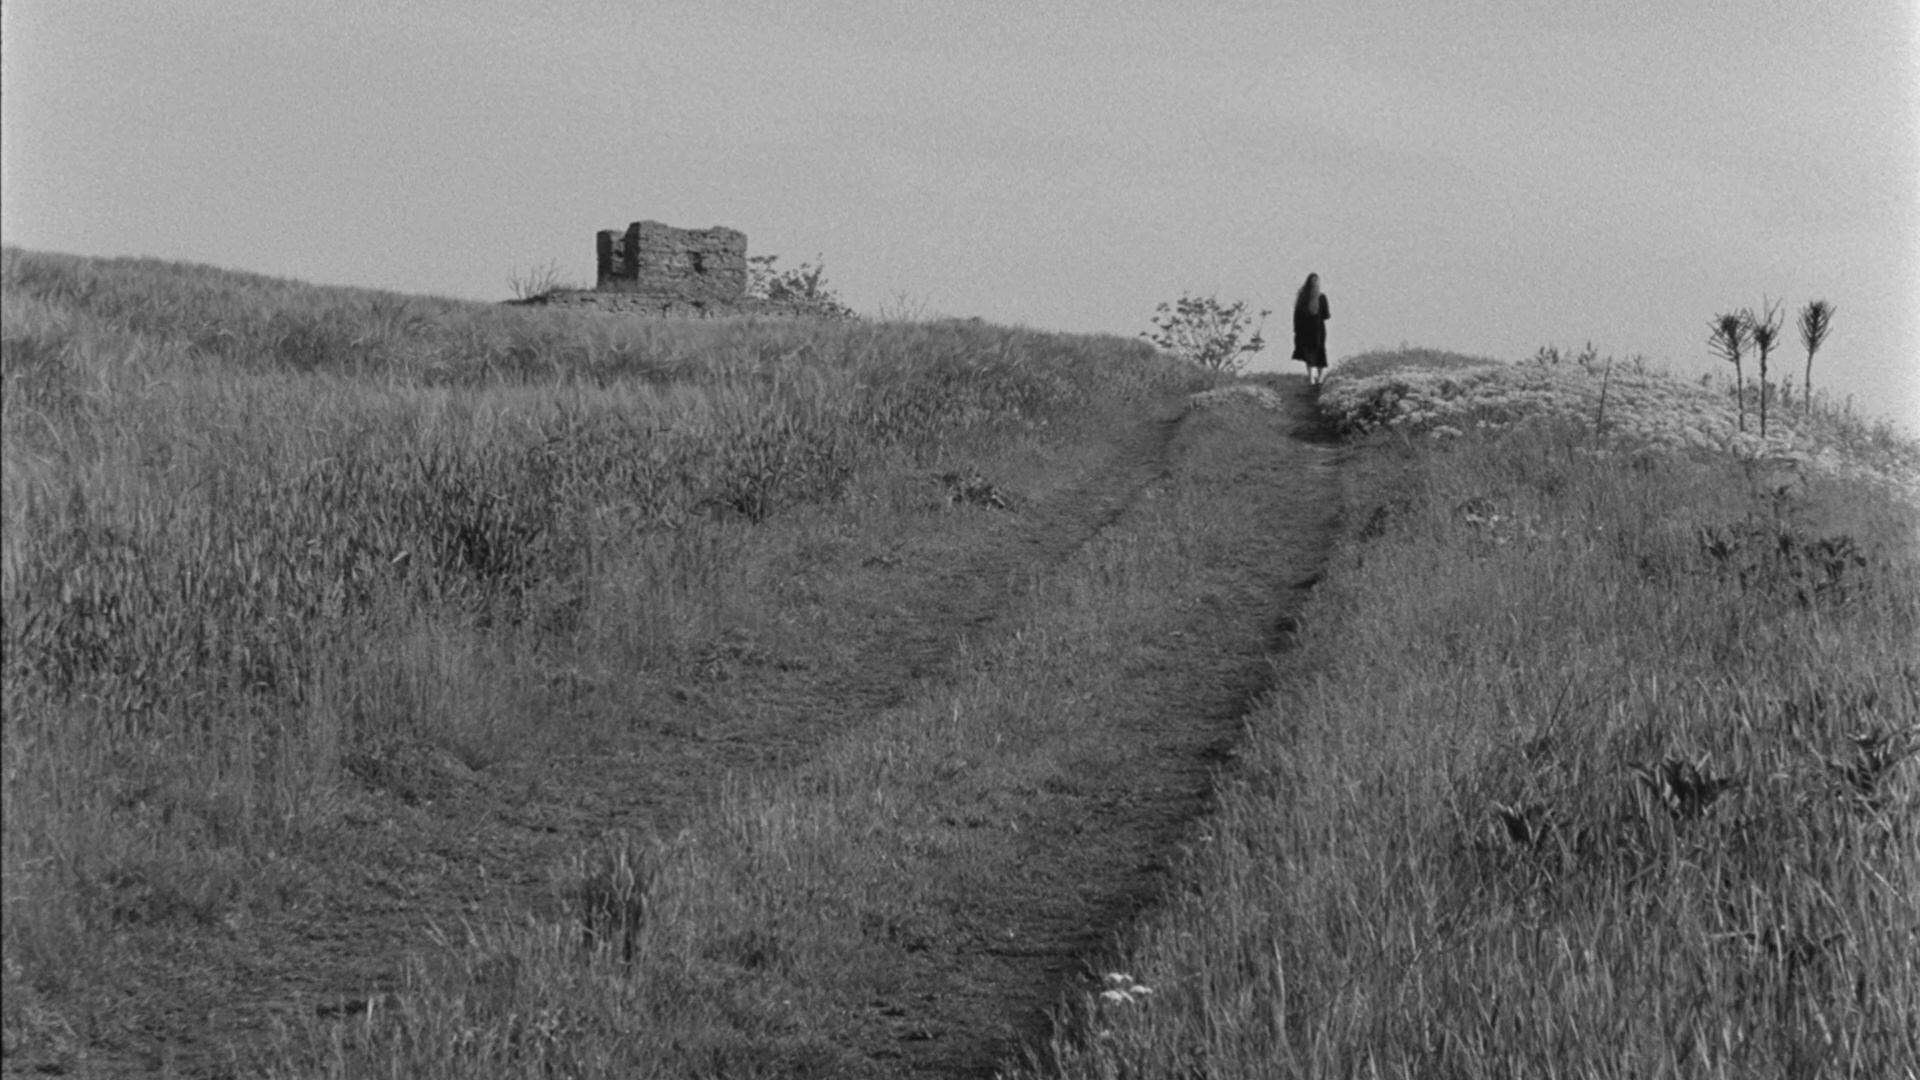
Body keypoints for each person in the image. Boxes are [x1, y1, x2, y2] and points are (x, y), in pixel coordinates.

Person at [1291, 272, 1331, 386]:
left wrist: (1296, 331)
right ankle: (1319, 379)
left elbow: (1296, 316)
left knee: (1309, 356)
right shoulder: (1322, 298)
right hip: (1318, 332)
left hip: (1304, 332)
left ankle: (1311, 378)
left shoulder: (1302, 298)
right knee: (1320, 354)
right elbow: (1326, 315)